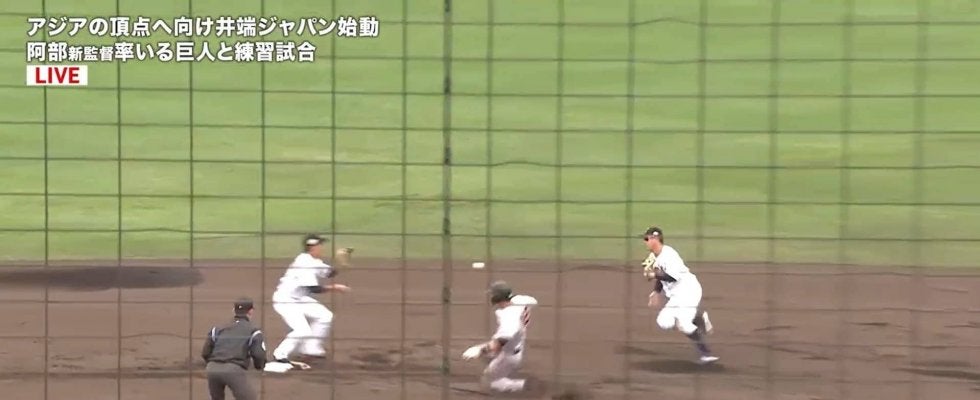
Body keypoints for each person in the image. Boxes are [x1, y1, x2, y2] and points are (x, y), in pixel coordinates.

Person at [641, 226, 719, 364]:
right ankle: (698, 316)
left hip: (689, 290)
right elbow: (661, 276)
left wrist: (653, 275)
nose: (645, 242)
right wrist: (656, 292)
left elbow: (673, 277)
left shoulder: (669, 255)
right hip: (676, 297)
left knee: (684, 324)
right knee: (664, 322)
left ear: (655, 239)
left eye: (647, 239)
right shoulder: (654, 256)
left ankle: (705, 354)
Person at [270, 233, 351, 363]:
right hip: (285, 300)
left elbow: (329, 273)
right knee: (302, 330)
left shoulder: (314, 261)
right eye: (320, 245)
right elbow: (313, 289)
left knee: (325, 316)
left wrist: (340, 264)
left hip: (299, 298)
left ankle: (311, 349)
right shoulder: (304, 262)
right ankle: (280, 354)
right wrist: (335, 287)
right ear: (312, 247)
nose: (322, 248)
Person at [461, 280, 538, 392]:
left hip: (508, 355)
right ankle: (495, 361)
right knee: (491, 355)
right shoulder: (520, 300)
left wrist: (479, 349)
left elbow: (499, 343)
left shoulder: (509, 317)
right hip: (517, 344)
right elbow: (533, 301)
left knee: (489, 381)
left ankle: (523, 385)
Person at [201, 298, 267, 400]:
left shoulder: (217, 328)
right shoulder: (254, 331)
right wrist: (259, 366)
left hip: (212, 368)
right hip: (233, 370)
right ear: (250, 311)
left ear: (234, 311)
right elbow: (258, 354)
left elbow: (205, 352)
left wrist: (214, 364)